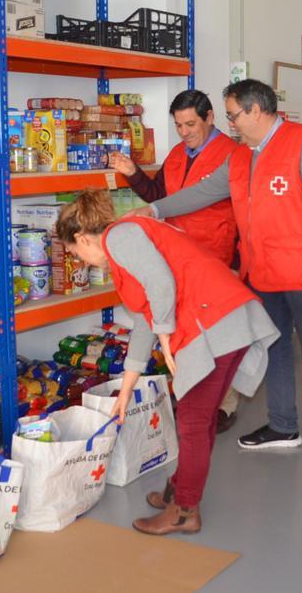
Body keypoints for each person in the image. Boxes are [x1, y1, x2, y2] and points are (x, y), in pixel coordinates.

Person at [132, 79, 302, 465]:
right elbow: (203, 192)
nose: (231, 124)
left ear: (256, 110)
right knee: (275, 347)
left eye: (234, 115)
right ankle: (283, 426)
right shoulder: (241, 156)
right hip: (263, 271)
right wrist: (156, 210)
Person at [57, 189, 279, 535]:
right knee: (199, 416)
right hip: (223, 318)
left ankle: (184, 511)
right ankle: (180, 490)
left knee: (191, 420)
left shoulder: (121, 236)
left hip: (216, 322)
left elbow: (162, 286)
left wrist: (166, 337)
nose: (81, 261)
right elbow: (146, 318)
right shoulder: (124, 251)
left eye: (75, 252)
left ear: (83, 237)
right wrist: (126, 390)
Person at [109, 89, 244, 433]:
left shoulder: (232, 155)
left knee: (217, 337)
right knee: (186, 336)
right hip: (177, 257)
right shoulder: (176, 156)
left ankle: (224, 405)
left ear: (209, 118)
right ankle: (194, 400)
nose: (184, 132)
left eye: (190, 124)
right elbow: (158, 197)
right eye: (179, 125)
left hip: (216, 256)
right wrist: (133, 173)